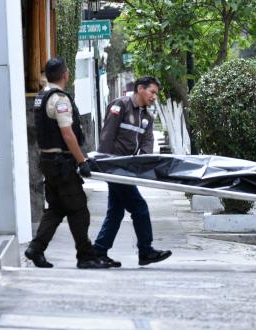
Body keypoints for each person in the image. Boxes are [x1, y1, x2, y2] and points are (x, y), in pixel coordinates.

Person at [25, 57, 109, 269]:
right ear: (65, 75)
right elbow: (67, 134)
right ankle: (85, 256)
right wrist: (82, 161)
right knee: (79, 209)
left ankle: (36, 248)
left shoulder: (41, 96)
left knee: (56, 209)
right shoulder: (60, 99)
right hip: (61, 164)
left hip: (47, 161)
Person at [93, 76, 172, 267]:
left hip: (128, 171)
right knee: (139, 208)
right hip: (115, 168)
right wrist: (105, 165)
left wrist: (142, 166)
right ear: (139, 89)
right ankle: (145, 251)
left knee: (116, 211)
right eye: (152, 92)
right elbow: (107, 137)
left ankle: (99, 251)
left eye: (156, 94)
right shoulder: (120, 106)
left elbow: (147, 143)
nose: (154, 97)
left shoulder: (147, 117)